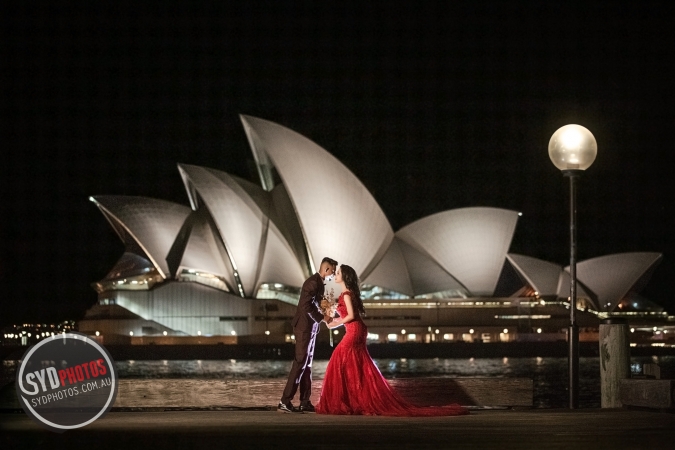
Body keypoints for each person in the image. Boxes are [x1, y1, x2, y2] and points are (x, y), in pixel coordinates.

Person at [316, 264, 469, 417]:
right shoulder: (346, 294)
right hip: (356, 330)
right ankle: (355, 399)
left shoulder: (347, 294)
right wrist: (329, 318)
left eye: (338, 272)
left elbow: (350, 316)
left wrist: (336, 321)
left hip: (355, 331)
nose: (335, 274)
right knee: (356, 363)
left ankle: (354, 400)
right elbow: (344, 317)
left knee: (341, 358)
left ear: (345, 276)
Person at [278, 257, 338, 413]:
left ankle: (305, 401)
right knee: (299, 363)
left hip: (310, 328)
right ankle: (285, 401)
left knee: (307, 365)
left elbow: (314, 304)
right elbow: (305, 306)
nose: (333, 274)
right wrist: (323, 317)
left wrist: (325, 307)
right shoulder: (312, 283)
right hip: (303, 328)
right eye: (332, 270)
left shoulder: (319, 283)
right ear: (326, 269)